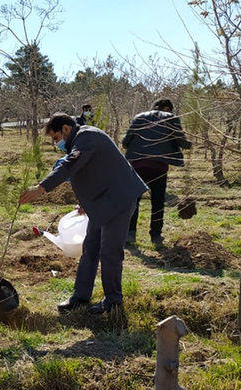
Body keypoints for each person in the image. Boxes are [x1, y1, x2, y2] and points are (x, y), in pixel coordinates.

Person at [19, 113, 147, 314]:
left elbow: (70, 166)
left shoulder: (87, 136)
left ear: (66, 129)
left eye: (56, 138)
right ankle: (80, 297)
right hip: (102, 202)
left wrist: (41, 188)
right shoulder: (80, 142)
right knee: (90, 248)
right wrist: (86, 204)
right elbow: (94, 173)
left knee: (110, 253)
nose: (56, 143)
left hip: (120, 199)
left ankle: (113, 303)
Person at [122, 99, 191, 247]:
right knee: (158, 202)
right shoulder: (171, 119)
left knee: (134, 200)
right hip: (158, 167)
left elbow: (125, 141)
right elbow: (181, 141)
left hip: (137, 165)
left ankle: (130, 233)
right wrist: (190, 144)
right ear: (167, 108)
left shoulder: (139, 117)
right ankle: (156, 236)